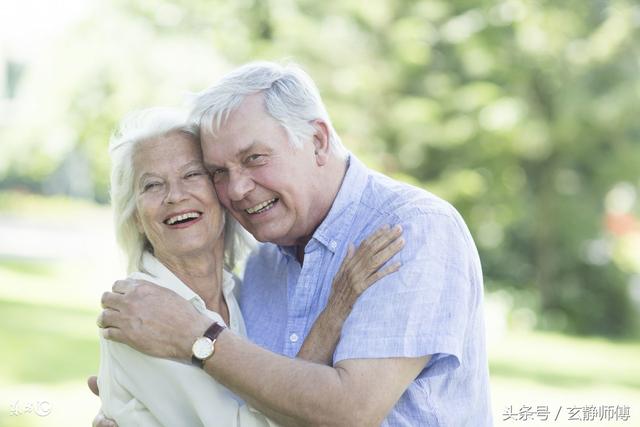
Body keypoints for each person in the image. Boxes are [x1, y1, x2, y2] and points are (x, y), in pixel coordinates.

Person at [97, 61, 492, 426]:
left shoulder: (411, 230)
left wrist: (199, 337)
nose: (236, 188)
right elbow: (263, 403)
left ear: (317, 140)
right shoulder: (260, 266)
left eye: (254, 158)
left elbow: (351, 410)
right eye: (219, 171)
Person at [97, 107, 404, 426]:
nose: (175, 195)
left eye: (192, 175)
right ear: (135, 216)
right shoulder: (138, 315)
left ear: (222, 192)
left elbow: (270, 386)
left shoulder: (244, 290)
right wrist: (336, 311)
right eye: (152, 185)